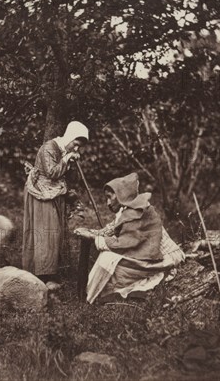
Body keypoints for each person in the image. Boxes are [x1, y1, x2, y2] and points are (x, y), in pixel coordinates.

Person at [74, 172, 185, 303]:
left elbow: (123, 244)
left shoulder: (139, 212)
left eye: (110, 197)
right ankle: (94, 292)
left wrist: (93, 238)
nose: (108, 203)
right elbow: (109, 230)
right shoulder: (128, 210)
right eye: (106, 198)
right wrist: (90, 232)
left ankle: (93, 295)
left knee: (108, 259)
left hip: (165, 259)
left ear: (121, 196)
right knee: (107, 258)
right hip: (148, 255)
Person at [22, 121, 89, 290]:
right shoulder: (49, 148)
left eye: (79, 147)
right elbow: (52, 173)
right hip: (41, 194)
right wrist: (67, 159)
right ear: (70, 137)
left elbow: (65, 175)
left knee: (53, 233)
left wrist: (69, 160)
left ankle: (49, 273)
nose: (76, 149)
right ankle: (41, 276)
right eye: (75, 144)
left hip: (53, 193)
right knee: (46, 233)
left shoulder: (63, 149)